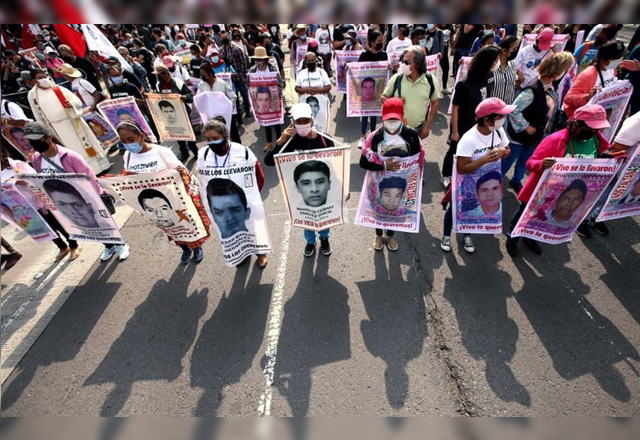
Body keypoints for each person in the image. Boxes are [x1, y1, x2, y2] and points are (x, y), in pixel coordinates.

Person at [505, 104, 622, 257]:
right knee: (524, 215)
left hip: (566, 194)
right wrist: (542, 164)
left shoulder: (596, 140)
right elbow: (530, 163)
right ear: (576, 124)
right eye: (589, 128)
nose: (593, 132)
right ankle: (512, 239)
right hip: (542, 192)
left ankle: (530, 237)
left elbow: (599, 156)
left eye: (597, 129)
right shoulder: (555, 140)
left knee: (540, 218)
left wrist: (610, 161)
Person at [24, 121, 130, 262]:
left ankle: (121, 244)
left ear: (48, 137)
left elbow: (89, 178)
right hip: (63, 201)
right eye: (31, 141)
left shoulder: (70, 156)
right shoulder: (37, 159)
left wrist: (94, 200)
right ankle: (109, 245)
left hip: (85, 198)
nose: (34, 144)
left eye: (37, 140)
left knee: (103, 223)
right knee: (89, 227)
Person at [117, 119, 205, 264]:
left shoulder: (161, 152)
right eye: (123, 141)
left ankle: (196, 247)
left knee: (185, 224)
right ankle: (184, 248)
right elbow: (128, 177)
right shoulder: (128, 155)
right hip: (151, 203)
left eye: (131, 139)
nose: (128, 144)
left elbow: (182, 172)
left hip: (173, 199)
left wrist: (179, 174)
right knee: (169, 227)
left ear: (142, 135)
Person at [441, 98, 513, 254]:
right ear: (487, 120)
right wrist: (485, 159)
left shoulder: (498, 131)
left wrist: (503, 151)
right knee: (455, 208)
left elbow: (508, 149)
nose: (503, 119)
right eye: (500, 116)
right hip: (466, 182)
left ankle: (466, 234)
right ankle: (446, 236)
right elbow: (461, 168)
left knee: (471, 210)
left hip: (487, 182)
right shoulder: (468, 139)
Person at [265, 103, 335, 257]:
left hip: (321, 187)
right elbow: (268, 161)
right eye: (299, 121)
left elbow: (335, 165)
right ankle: (310, 242)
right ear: (292, 123)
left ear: (312, 120)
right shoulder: (290, 141)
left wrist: (342, 188)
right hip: (301, 191)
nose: (302, 124)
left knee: (324, 214)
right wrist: (280, 141)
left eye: (305, 121)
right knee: (307, 216)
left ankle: (324, 238)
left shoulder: (325, 139)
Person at [198, 118, 268, 268]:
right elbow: (203, 180)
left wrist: (251, 197)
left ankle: (261, 253)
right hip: (219, 203)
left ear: (226, 136)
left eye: (215, 138)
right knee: (231, 231)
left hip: (243, 201)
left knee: (252, 227)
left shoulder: (242, 152)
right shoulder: (203, 155)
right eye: (208, 139)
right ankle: (241, 254)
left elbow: (259, 177)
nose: (211, 142)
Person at [359, 98, 424, 251]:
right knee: (378, 209)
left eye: (396, 119)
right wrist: (383, 165)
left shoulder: (412, 136)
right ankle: (378, 235)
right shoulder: (374, 137)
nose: (392, 123)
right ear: (383, 117)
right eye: (389, 120)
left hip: (401, 184)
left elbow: (417, 160)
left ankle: (390, 235)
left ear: (403, 116)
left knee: (395, 209)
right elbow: (363, 162)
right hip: (378, 183)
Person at [505, 52, 574, 193]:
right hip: (520, 136)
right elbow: (513, 110)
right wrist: (526, 126)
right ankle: (493, 183)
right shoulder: (533, 90)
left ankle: (516, 180)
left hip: (536, 136)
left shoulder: (549, 86)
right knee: (507, 162)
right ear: (556, 73)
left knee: (525, 160)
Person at [27, 68, 110, 174]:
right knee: (71, 150)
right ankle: (82, 171)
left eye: (45, 76)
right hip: (56, 128)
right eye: (40, 78)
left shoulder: (57, 88)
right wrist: (44, 130)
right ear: (34, 81)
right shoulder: (32, 95)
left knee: (84, 146)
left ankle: (99, 167)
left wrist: (72, 104)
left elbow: (76, 100)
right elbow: (37, 114)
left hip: (72, 122)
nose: (44, 79)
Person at [442, 45, 500, 188]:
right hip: (462, 125)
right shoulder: (464, 83)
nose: (497, 63)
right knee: (455, 150)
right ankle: (446, 174)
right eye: (495, 61)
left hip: (478, 125)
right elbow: (455, 108)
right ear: (487, 62)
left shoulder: (489, 77)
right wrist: (455, 132)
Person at [381, 45, 441, 139]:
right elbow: (383, 97)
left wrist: (427, 125)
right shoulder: (397, 78)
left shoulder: (429, 79)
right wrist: (395, 102)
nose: (403, 65)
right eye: (402, 61)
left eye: (407, 62)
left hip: (418, 130)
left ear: (418, 64)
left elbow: (435, 102)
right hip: (395, 130)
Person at [563, 42, 627, 119]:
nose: (620, 60)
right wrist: (587, 97)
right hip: (580, 118)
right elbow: (568, 99)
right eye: (618, 58)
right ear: (604, 60)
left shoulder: (612, 69)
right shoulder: (588, 75)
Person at [153, 64, 198, 162]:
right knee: (177, 134)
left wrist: (185, 97)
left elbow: (190, 96)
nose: (158, 78)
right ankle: (184, 152)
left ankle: (195, 152)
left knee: (189, 134)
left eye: (159, 75)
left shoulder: (179, 83)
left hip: (183, 113)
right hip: (169, 115)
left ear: (166, 74)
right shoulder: (158, 85)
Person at [355, 30, 388, 148]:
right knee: (364, 114)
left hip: (377, 91)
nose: (381, 43)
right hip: (366, 90)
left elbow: (386, 72)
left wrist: (389, 68)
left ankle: (372, 136)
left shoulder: (384, 55)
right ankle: (362, 136)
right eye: (379, 41)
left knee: (374, 114)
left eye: (382, 41)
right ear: (372, 42)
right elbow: (357, 70)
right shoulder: (364, 55)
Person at [197, 63, 241, 143]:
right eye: (201, 74)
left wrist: (227, 107)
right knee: (217, 138)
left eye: (203, 74)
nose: (201, 76)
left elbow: (233, 97)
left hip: (225, 116)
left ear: (210, 74)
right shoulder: (201, 85)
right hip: (211, 118)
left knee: (233, 135)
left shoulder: (222, 83)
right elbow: (198, 98)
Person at [219, 29, 251, 119]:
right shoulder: (220, 50)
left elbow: (243, 63)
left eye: (226, 37)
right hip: (229, 79)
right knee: (234, 97)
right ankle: (238, 114)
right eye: (222, 38)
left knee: (244, 94)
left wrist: (244, 76)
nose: (224, 39)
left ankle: (247, 110)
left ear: (229, 37)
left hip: (239, 77)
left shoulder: (236, 49)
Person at [487, 36, 521, 105]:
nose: (516, 51)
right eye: (514, 49)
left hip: (507, 107)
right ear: (504, 51)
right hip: (492, 107)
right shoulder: (492, 67)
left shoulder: (513, 64)